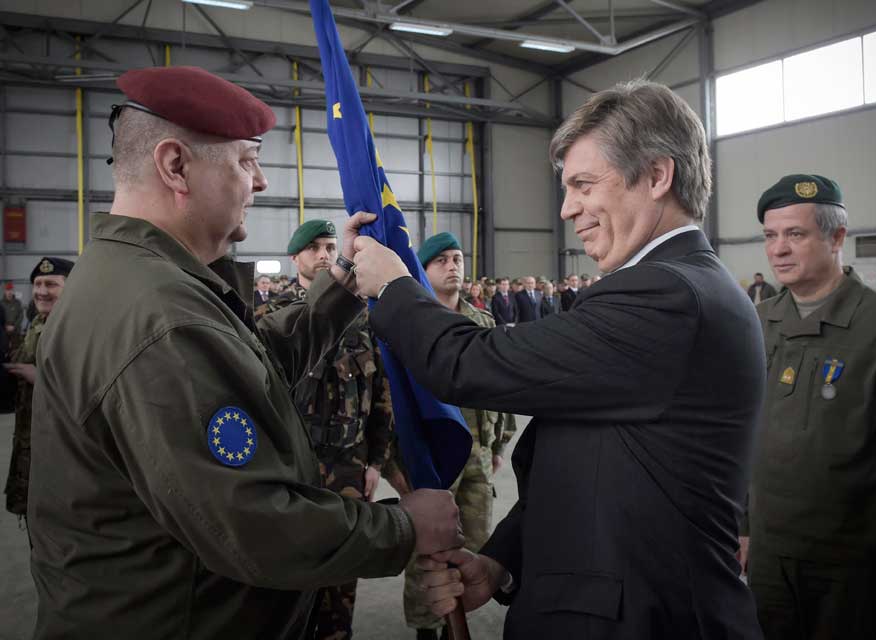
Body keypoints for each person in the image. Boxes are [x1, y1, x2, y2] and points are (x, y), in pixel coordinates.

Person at [27, 66, 462, 639]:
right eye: (245, 160)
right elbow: (253, 525)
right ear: (175, 165)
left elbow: (249, 366)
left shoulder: (141, 280)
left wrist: (342, 284)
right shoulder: (162, 318)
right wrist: (404, 528)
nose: (259, 181)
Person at [351, 78, 765, 639]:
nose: (568, 208)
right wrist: (499, 563)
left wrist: (396, 288)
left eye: (583, 184)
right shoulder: (672, 289)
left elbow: (468, 362)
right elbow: (585, 467)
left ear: (657, 175)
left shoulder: (669, 296)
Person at [742, 174, 876, 639]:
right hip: (768, 564)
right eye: (770, 236)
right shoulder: (759, 324)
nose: (778, 249)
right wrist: (742, 527)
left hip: (856, 572)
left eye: (795, 234)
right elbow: (741, 437)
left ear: (837, 237)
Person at [267, 218, 394, 640]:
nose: (323, 255)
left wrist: (375, 461)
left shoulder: (359, 314)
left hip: (348, 463)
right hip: (292, 465)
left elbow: (380, 395)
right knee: (292, 569)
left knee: (344, 569)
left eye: (328, 246)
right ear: (295, 257)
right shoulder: (271, 314)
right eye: (314, 248)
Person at [403, 232, 517, 640]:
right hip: (434, 458)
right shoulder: (412, 327)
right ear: (424, 270)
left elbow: (499, 394)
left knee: (474, 543)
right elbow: (396, 401)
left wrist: (499, 445)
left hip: (479, 456)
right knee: (429, 554)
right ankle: (426, 628)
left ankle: (457, 625)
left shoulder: (482, 322)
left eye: (458, 258)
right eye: (442, 261)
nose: (454, 266)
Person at [3, 257, 73, 523]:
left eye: (51, 284)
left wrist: (40, 378)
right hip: (32, 440)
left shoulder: (75, 327)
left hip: (62, 454)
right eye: (37, 283)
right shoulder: (37, 324)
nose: (42, 290)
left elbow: (91, 388)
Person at [2, 282, 24, 356]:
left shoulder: (18, 303)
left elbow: (21, 316)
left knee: (15, 350)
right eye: (8, 290)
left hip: (15, 330)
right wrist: (5, 326)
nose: (9, 292)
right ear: (5, 291)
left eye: (11, 290)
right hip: (3, 331)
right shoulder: (1, 303)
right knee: (3, 348)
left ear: (13, 291)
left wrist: (14, 326)